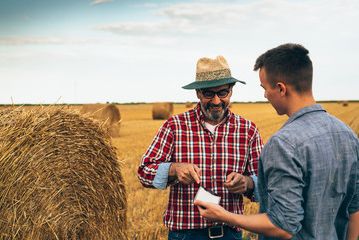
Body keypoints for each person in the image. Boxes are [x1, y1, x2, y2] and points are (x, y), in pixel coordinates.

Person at [194, 43, 359, 240]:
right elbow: (354, 208)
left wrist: (225, 216)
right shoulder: (348, 134)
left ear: (281, 88)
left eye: (265, 88)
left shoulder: (283, 143)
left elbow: (283, 226)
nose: (265, 95)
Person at [138, 55, 264, 239]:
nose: (216, 101)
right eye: (208, 94)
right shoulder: (174, 126)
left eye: (222, 93)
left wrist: (247, 183)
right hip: (185, 235)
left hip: (230, 233)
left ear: (231, 91)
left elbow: (265, 181)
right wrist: (174, 169)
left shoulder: (248, 130)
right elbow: (144, 172)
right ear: (197, 92)